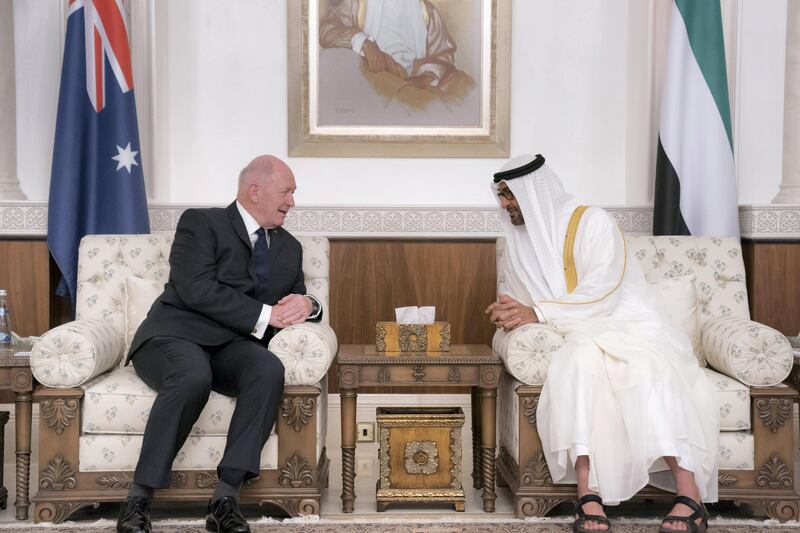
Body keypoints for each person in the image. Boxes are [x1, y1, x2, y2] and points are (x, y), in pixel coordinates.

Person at [486, 154, 717, 533]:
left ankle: (688, 494)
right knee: (578, 365)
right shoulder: (516, 239)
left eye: (510, 195)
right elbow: (518, 298)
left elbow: (604, 291)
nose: (504, 204)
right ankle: (588, 493)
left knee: (643, 368)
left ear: (535, 191)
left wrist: (537, 312)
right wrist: (508, 313)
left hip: (628, 325)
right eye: (501, 195)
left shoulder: (592, 222)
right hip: (574, 334)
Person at [116, 156, 323, 533]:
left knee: (267, 367)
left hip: (231, 346)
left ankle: (225, 496)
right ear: (255, 190)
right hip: (173, 336)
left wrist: (310, 305)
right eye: (287, 191)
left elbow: (296, 298)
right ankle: (138, 497)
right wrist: (265, 315)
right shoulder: (201, 223)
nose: (292, 201)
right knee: (191, 373)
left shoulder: (289, 247)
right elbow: (196, 289)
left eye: (293, 193)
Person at [319, 0, 474, 105]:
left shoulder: (426, 10)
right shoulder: (358, 4)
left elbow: (443, 54)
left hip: (417, 82)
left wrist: (423, 79)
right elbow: (326, 31)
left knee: (463, 84)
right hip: (376, 77)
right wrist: (366, 44)